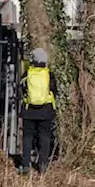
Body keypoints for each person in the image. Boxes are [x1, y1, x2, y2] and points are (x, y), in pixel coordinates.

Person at [17, 47, 57, 175]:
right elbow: (54, 91)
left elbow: (21, 91)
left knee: (27, 137)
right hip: (46, 110)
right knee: (44, 137)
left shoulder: (27, 75)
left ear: (33, 60)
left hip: (29, 111)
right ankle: (43, 165)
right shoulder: (49, 75)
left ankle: (26, 165)